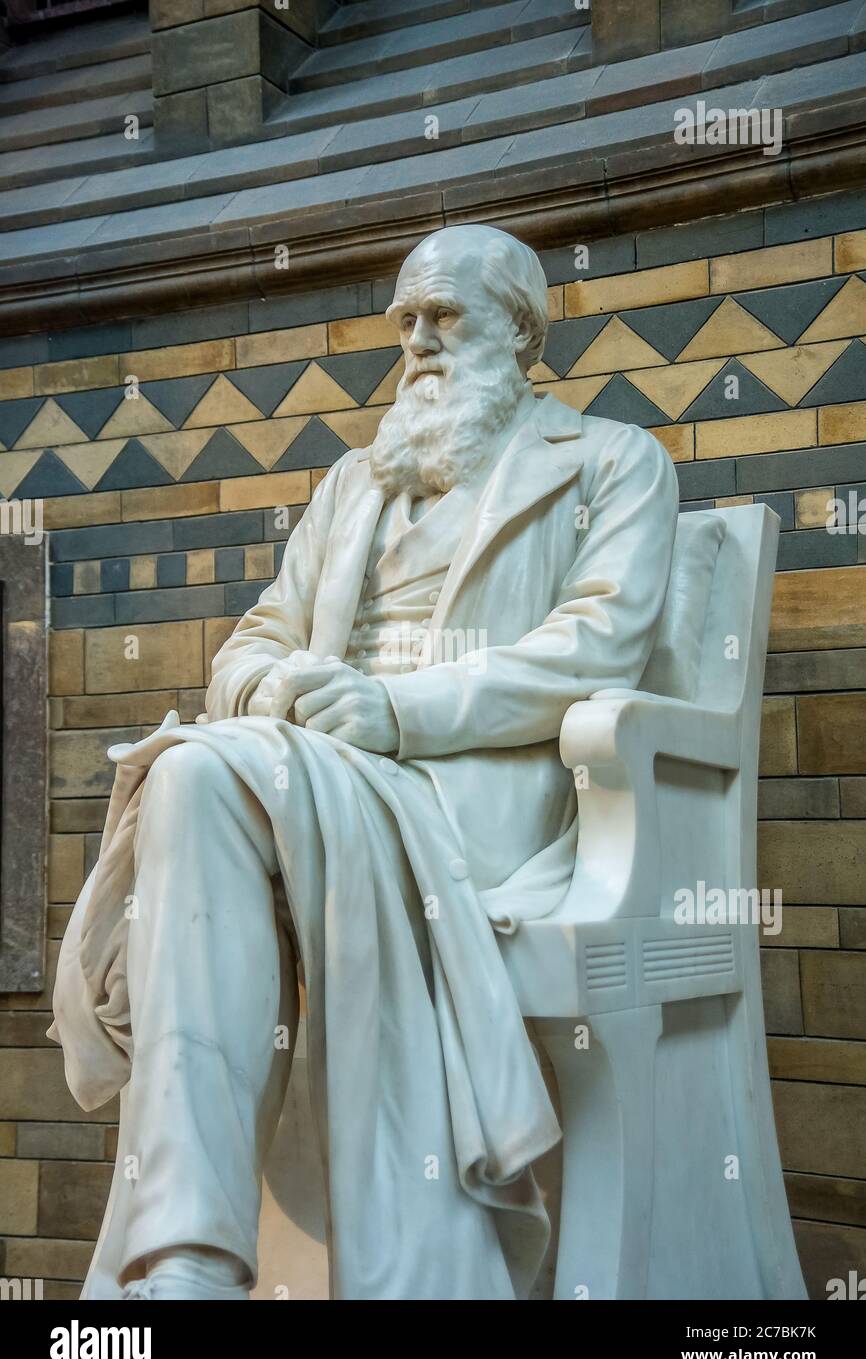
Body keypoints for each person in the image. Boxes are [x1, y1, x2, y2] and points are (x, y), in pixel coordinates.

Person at [50, 224, 679, 1300]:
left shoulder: (611, 462)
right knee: (197, 770)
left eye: (445, 317)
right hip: (318, 767)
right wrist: (282, 692)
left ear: (521, 329)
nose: (419, 342)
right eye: (405, 321)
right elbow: (254, 639)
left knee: (201, 776)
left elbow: (595, 643)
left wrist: (392, 708)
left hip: (468, 788)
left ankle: (193, 1260)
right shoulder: (356, 482)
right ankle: (188, 1258)